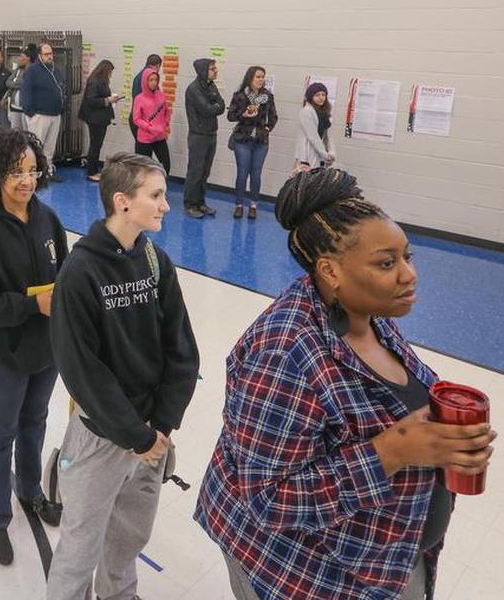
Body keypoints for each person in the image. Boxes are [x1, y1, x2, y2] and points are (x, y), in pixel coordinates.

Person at [195, 168, 495, 600]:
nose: (409, 275)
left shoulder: (367, 316)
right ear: (330, 270)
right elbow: (267, 499)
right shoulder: (285, 354)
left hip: (384, 557)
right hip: (300, 571)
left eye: (408, 257)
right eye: (386, 263)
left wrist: (441, 440)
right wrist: (391, 451)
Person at [46, 152, 200, 600]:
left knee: (129, 537)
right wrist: (134, 434)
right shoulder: (80, 272)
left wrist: (161, 426)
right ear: (122, 202)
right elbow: (82, 371)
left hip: (153, 434)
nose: (165, 205)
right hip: (103, 437)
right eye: (155, 195)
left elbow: (182, 349)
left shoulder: (156, 261)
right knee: (80, 544)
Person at [0, 128, 68, 565]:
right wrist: (29, 304)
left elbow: (67, 276)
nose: (26, 180)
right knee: (0, 434)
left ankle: (29, 490)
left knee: (35, 421)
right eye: (15, 172)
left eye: (32, 170)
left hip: (47, 350)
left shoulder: (49, 221)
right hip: (4, 352)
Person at [227, 66, 278, 219]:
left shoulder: (268, 96)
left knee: (256, 174)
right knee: (242, 174)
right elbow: (231, 116)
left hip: (261, 141)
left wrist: (267, 129)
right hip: (242, 139)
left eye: (263, 77)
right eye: (258, 77)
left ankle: (253, 205)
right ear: (250, 78)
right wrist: (244, 114)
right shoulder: (240, 95)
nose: (261, 80)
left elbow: (274, 116)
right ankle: (239, 205)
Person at [184, 58, 225, 218]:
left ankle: (200, 202)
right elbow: (208, 109)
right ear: (202, 71)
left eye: (215, 68)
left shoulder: (211, 85)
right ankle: (190, 204)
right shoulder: (193, 89)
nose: (216, 71)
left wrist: (214, 106)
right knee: (195, 172)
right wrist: (214, 106)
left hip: (211, 134)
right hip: (198, 136)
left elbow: (221, 105)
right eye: (212, 68)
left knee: (205, 172)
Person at [22, 42, 66, 182]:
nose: (50, 56)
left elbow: (60, 88)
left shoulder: (55, 70)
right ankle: (35, 173)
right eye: (46, 54)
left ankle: (48, 171)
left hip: (55, 114)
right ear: (40, 56)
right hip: (39, 115)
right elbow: (26, 91)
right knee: (37, 146)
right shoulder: (32, 71)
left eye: (51, 54)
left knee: (49, 147)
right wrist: (30, 112)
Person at [78, 59, 121, 182]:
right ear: (105, 70)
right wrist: (108, 100)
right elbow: (91, 100)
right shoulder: (95, 81)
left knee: (97, 144)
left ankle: (93, 169)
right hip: (95, 118)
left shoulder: (100, 81)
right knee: (95, 145)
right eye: (110, 72)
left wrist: (109, 99)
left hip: (99, 118)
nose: (111, 75)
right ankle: (91, 172)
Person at [132, 66, 172, 176]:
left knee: (166, 165)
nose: (154, 83)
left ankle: (161, 188)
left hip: (159, 136)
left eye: (155, 80)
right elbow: (136, 119)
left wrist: (165, 124)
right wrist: (149, 127)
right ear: (145, 81)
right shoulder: (139, 98)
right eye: (151, 80)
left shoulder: (161, 95)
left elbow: (166, 111)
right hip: (145, 138)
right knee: (144, 169)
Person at [294, 82, 336, 172]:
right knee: (306, 183)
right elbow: (312, 136)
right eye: (317, 95)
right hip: (307, 156)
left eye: (323, 94)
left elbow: (328, 135)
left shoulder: (324, 113)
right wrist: (325, 155)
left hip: (320, 154)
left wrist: (331, 152)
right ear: (311, 97)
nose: (321, 97)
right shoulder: (306, 112)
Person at [129, 54, 162, 144]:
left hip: (135, 118)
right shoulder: (150, 78)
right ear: (158, 65)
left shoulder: (138, 76)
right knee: (144, 152)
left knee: (141, 151)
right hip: (143, 121)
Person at [6, 45, 36, 133]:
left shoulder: (33, 71)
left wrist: (16, 83)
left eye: (22, 57)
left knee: (27, 133)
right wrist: (22, 84)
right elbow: (8, 82)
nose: (19, 59)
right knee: (15, 133)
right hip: (15, 107)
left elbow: (31, 85)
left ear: (28, 58)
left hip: (26, 109)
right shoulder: (18, 70)